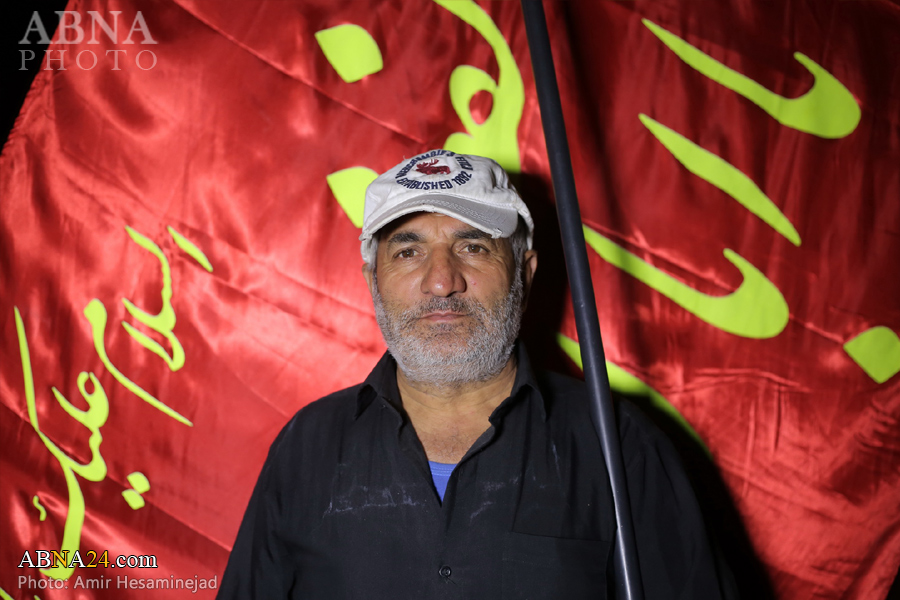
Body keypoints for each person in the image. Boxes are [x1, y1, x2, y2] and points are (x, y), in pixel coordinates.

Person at [218, 149, 726, 599]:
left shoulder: (618, 446)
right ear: (374, 281)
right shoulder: (307, 447)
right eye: (408, 251)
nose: (442, 281)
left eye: (473, 247)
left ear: (525, 273)